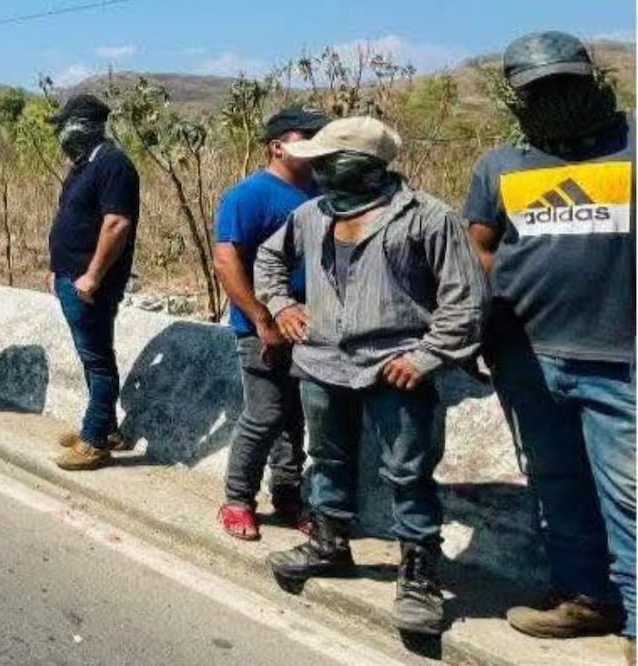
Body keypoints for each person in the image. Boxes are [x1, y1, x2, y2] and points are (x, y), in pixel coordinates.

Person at [257, 117, 488, 636]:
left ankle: (419, 575)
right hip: (322, 361)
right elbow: (269, 258)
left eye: (325, 160)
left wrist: (428, 356)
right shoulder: (311, 215)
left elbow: (466, 299)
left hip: (396, 368)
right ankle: (328, 542)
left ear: (356, 164)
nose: (314, 168)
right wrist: (281, 304)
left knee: (407, 472)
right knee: (329, 457)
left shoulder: (428, 217)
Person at [464, 31, 635, 652]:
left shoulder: (633, 144)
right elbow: (479, 251)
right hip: (528, 359)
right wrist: (478, 334)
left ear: (594, 76)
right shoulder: (501, 166)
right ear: (516, 99)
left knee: (630, 492)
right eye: (540, 90)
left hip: (623, 359)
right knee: (556, 483)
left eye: (567, 81)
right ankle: (584, 599)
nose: (556, 97)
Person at [214, 107, 329, 540]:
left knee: (295, 416)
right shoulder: (249, 195)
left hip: (309, 326)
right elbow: (226, 262)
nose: (318, 143)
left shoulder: (322, 192)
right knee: (264, 414)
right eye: (308, 136)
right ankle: (238, 499)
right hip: (261, 326)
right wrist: (262, 317)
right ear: (277, 146)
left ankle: (288, 496)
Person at [45, 94, 140, 471]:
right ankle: (105, 426)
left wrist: (93, 275)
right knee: (92, 355)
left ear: (82, 125)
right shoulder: (82, 166)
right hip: (71, 277)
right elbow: (71, 218)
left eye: (64, 125)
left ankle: (95, 442)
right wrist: (57, 267)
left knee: (98, 361)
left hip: (92, 284)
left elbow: (116, 224)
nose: (61, 135)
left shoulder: (114, 165)